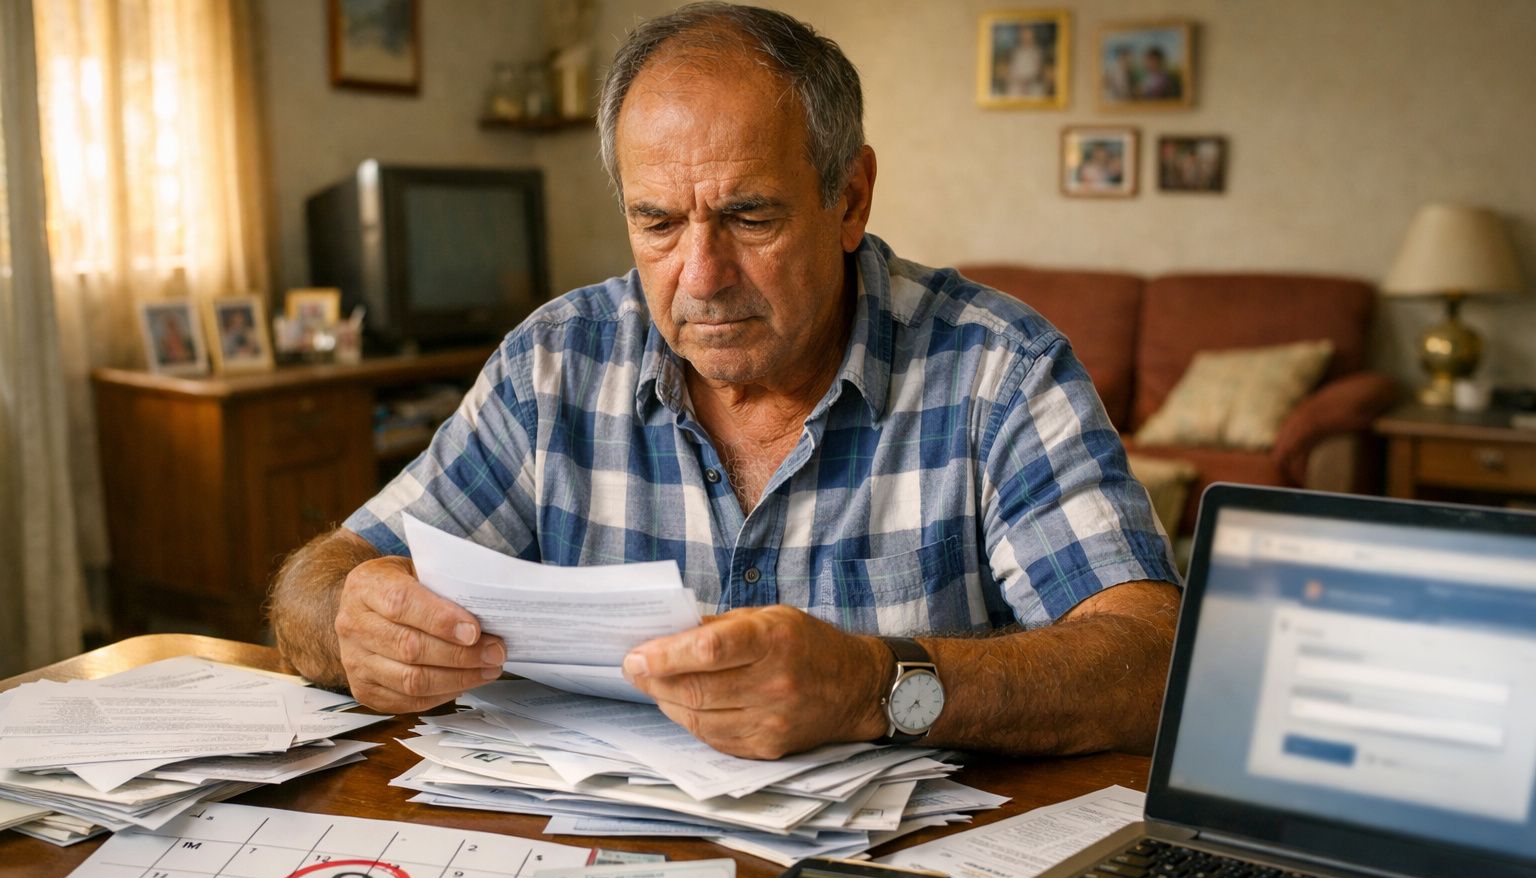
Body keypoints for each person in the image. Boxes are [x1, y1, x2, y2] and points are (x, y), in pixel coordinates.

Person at [269, 2, 1181, 762]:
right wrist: (350, 620)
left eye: (749, 217)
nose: (700, 278)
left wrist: (878, 685)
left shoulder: (995, 370)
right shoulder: (557, 362)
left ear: (850, 199)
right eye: (657, 223)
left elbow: (1151, 658)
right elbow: (323, 580)